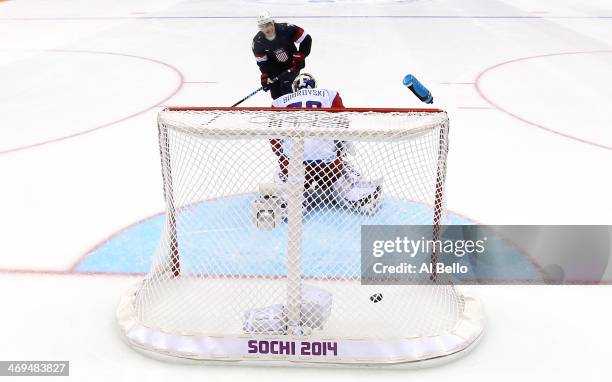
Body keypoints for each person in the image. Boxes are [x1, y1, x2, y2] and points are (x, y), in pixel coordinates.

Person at [268, 73, 383, 216]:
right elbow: (343, 125)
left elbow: (274, 138)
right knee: (340, 169)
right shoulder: (330, 95)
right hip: (328, 166)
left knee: (281, 174)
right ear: (314, 86)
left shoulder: (279, 102)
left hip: (294, 167)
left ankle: (289, 199)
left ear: (294, 88)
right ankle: (357, 196)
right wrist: (339, 154)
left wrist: (283, 158)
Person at [252, 11, 312, 99]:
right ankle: (279, 113)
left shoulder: (286, 29)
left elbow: (306, 39)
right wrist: (265, 75)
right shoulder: (258, 41)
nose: (267, 29)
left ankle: (293, 111)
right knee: (276, 96)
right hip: (274, 69)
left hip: (292, 65)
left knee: (289, 92)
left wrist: (300, 55)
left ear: (272, 22)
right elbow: (262, 63)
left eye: (268, 24)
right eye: (262, 26)